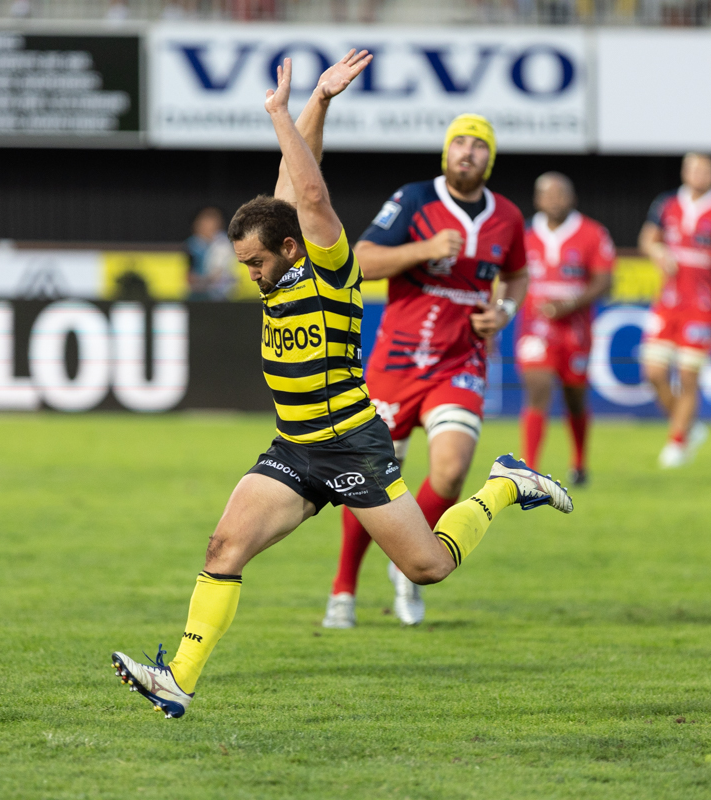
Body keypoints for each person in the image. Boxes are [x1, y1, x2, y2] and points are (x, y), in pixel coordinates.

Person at [109, 52, 572, 719]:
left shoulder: (331, 268)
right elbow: (288, 189)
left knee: (429, 568)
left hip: (352, 443)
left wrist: (277, 113)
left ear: (293, 248)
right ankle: (179, 678)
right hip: (296, 446)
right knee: (223, 547)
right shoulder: (278, 257)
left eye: (257, 261)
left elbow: (312, 196)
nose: (251, 273)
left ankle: (506, 484)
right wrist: (315, 104)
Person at [321, 113, 530, 629]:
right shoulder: (415, 199)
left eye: (479, 145)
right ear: (446, 152)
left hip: (460, 364)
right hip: (396, 362)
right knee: (368, 481)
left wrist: (502, 312)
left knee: (453, 470)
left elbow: (518, 274)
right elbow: (362, 260)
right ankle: (343, 588)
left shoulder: (508, 216)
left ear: (490, 157)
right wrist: (426, 250)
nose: (468, 151)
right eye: (459, 141)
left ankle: (407, 566)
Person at [638, 153, 711, 468]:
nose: (698, 174)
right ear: (684, 171)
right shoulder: (667, 204)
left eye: (705, 169)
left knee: (688, 376)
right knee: (653, 373)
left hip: (702, 306)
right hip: (667, 302)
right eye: (693, 168)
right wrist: (657, 249)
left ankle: (676, 441)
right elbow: (647, 238)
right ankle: (688, 426)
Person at [515, 172, 615, 485]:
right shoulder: (523, 235)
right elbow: (507, 277)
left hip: (576, 331)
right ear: (537, 199)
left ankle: (579, 463)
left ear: (571, 198)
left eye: (561, 194)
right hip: (535, 327)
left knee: (574, 398)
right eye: (548, 194)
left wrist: (570, 304)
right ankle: (528, 471)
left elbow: (604, 280)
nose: (555, 199)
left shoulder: (592, 233)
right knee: (537, 387)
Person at [186, 206, 236, 300]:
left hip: (221, 294)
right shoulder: (193, 245)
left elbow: (220, 274)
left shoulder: (223, 245)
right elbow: (189, 276)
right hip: (198, 293)